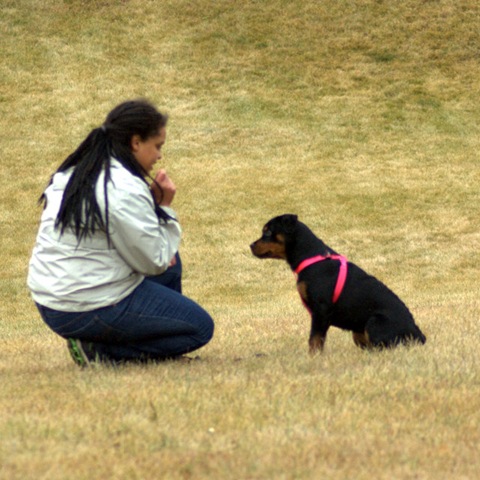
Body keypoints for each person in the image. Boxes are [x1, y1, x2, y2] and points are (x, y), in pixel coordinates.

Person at [27, 99, 214, 366]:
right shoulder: (123, 187)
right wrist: (164, 208)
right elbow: (154, 261)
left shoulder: (79, 170)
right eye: (157, 146)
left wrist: (150, 209)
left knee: (173, 263)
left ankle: (144, 339)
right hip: (83, 307)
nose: (159, 156)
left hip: (51, 301)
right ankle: (102, 350)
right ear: (136, 142)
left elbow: (157, 256)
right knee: (199, 328)